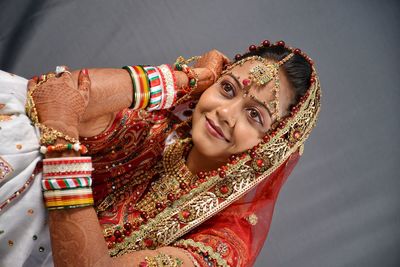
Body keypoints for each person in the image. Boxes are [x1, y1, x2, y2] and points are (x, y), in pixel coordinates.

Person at [0, 40, 321, 267]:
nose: (226, 113)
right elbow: (53, 93)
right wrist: (188, 77)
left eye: (255, 115)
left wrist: (60, 141)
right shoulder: (160, 135)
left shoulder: (224, 247)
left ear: (272, 145)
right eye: (227, 89)